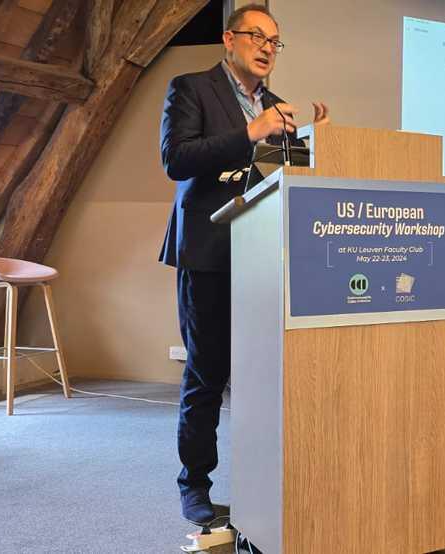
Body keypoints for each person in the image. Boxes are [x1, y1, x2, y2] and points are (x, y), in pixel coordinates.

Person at [158, 3, 329, 525]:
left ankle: (263, 483)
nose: (266, 48)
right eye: (256, 36)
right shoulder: (190, 88)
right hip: (209, 253)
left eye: (274, 42)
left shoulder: (278, 107)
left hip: (265, 259)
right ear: (229, 40)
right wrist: (251, 132)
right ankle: (195, 487)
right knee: (207, 376)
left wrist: (315, 142)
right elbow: (177, 159)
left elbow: (283, 178)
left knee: (262, 377)